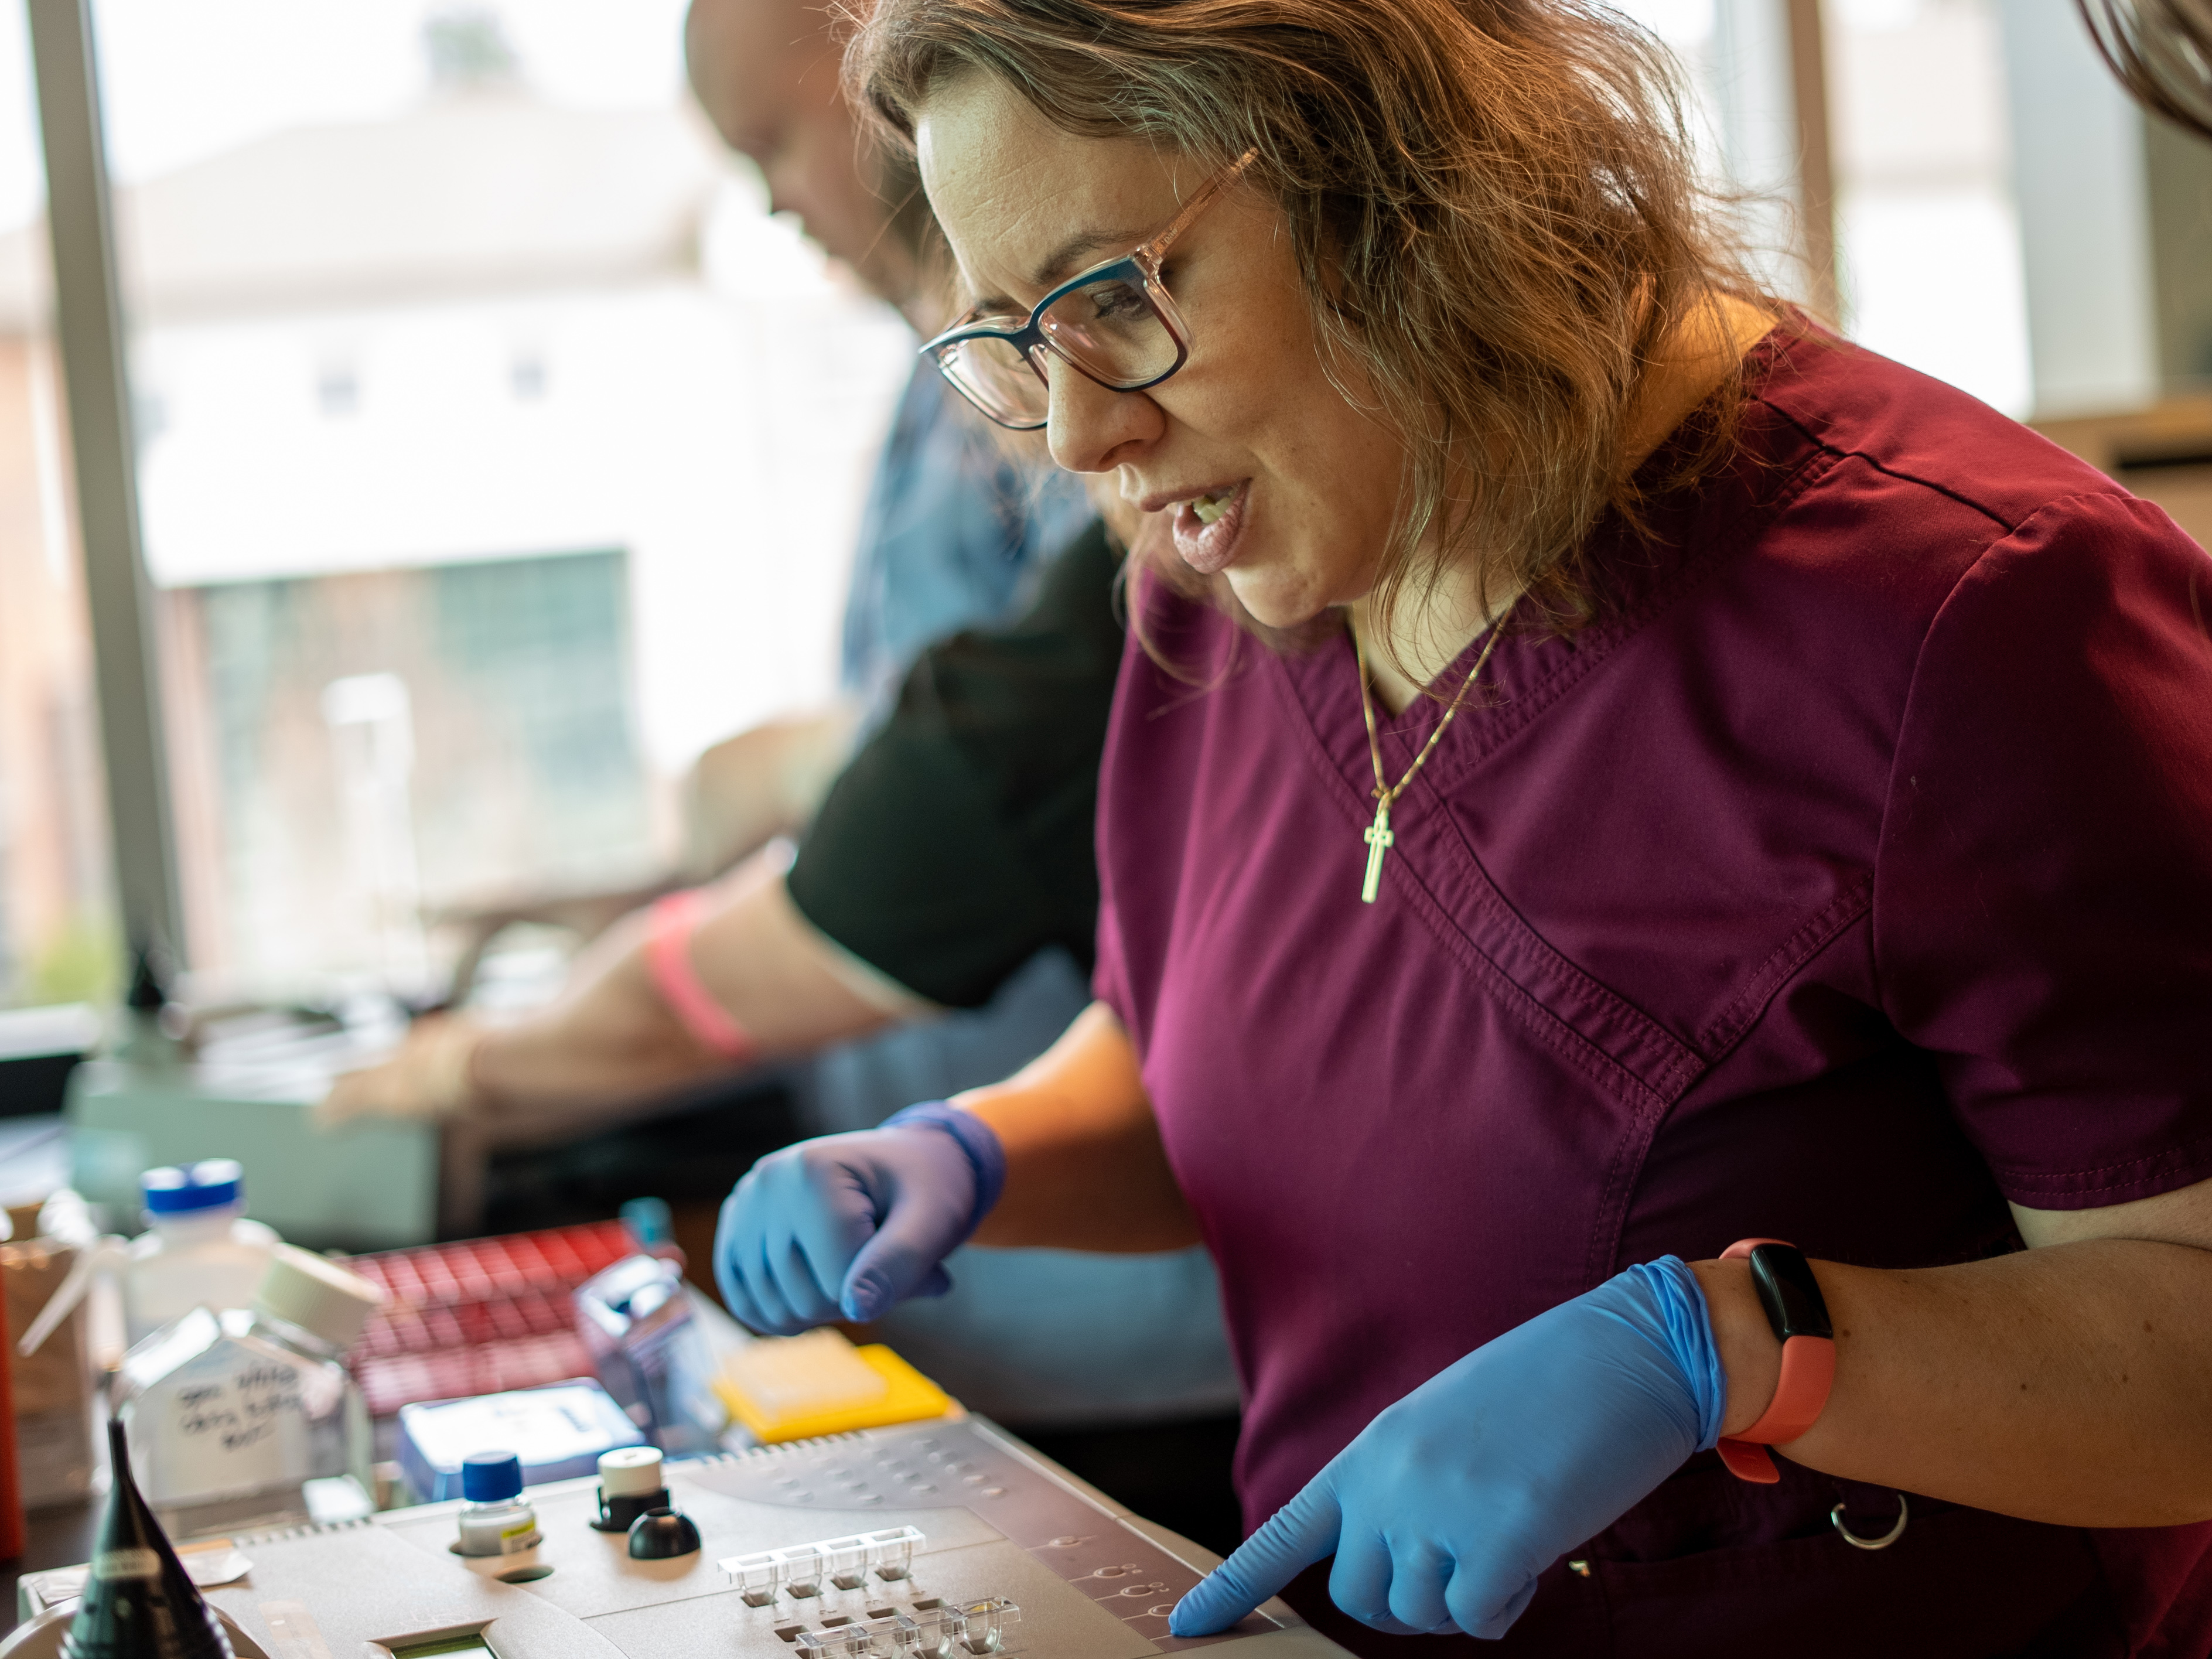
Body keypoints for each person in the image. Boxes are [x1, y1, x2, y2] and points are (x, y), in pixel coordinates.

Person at [709, 0, 2212, 1652]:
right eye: (1009, 334)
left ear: (1395, 182)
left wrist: (1743, 1342)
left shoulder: (1967, 613)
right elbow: (1235, 1059)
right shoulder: (1220, 599)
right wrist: (983, 1152)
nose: (1080, 435)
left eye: (1117, 295)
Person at [319, 0, 1241, 1541]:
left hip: (1138, 1339)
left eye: (765, 142)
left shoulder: (1129, 443)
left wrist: (474, 1070)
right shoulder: (958, 385)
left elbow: (967, 808)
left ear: (879, 57)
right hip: (967, 1280)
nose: (765, 199)